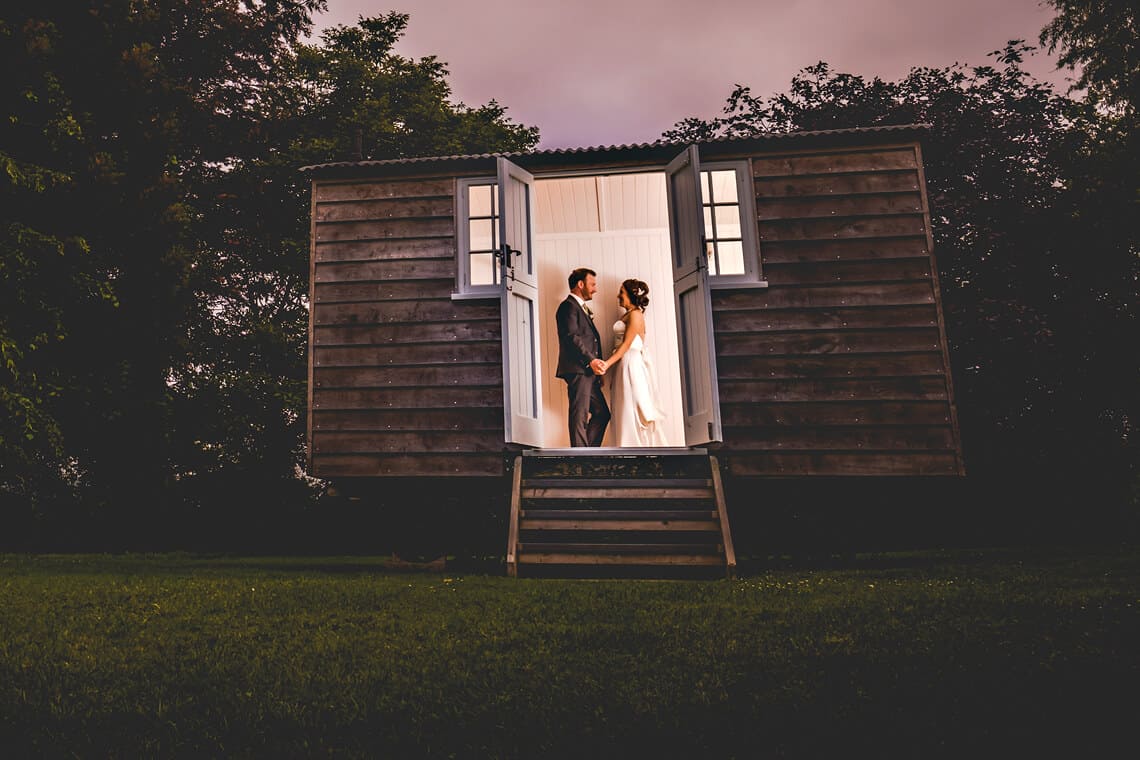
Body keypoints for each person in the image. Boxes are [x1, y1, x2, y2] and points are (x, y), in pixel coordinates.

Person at [601, 278, 667, 447]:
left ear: (631, 295)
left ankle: (634, 446)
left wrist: (606, 364)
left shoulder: (636, 315)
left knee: (632, 404)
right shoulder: (628, 314)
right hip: (623, 363)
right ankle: (623, 446)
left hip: (631, 363)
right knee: (622, 405)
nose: (618, 296)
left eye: (621, 292)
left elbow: (626, 345)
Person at [555, 267, 610, 447]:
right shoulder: (567, 306)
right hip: (579, 370)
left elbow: (590, 339)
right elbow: (571, 337)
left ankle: (588, 453)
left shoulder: (580, 308)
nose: (595, 289)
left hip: (589, 372)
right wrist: (591, 361)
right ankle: (579, 458)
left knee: (602, 413)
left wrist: (597, 372)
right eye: (592, 284)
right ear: (580, 284)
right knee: (580, 415)